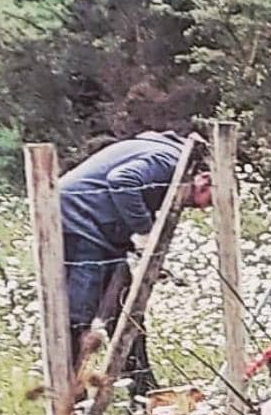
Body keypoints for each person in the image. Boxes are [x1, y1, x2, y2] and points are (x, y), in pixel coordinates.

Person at [58, 131, 213, 398]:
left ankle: (141, 388)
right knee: (80, 315)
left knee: (127, 309)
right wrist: (143, 232)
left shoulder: (166, 156)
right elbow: (123, 181)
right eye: (208, 201)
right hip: (81, 216)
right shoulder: (170, 161)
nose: (202, 209)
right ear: (206, 180)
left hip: (98, 226)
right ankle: (71, 397)